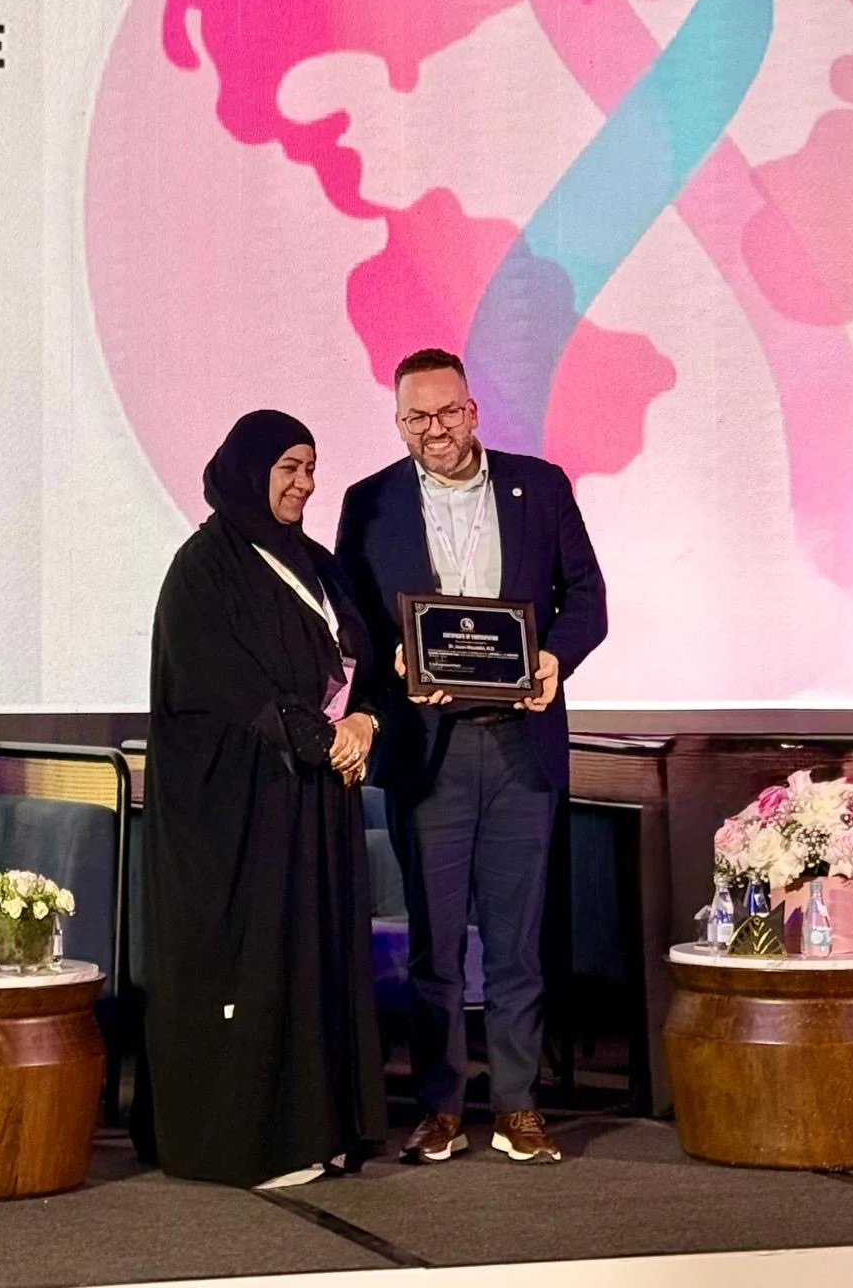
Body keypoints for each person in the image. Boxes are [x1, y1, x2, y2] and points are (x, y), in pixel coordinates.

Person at [336, 349, 607, 1165]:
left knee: (518, 943)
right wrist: (389, 659)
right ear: (398, 422)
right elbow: (352, 619)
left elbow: (586, 599)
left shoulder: (540, 487)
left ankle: (517, 1105)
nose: (435, 430)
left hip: (520, 743)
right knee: (436, 942)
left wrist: (553, 658)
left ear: (474, 410)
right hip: (430, 753)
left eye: (448, 412)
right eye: (417, 417)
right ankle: (441, 1106)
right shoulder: (370, 502)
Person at [137, 410, 387, 1189]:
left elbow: (367, 654)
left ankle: (320, 1128)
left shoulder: (319, 564)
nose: (304, 483)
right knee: (254, 961)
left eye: (310, 467)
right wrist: (323, 740)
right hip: (236, 809)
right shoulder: (203, 568)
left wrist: (364, 724)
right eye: (288, 467)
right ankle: (251, 1142)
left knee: (316, 956)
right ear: (249, 470)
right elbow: (223, 679)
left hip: (314, 798)